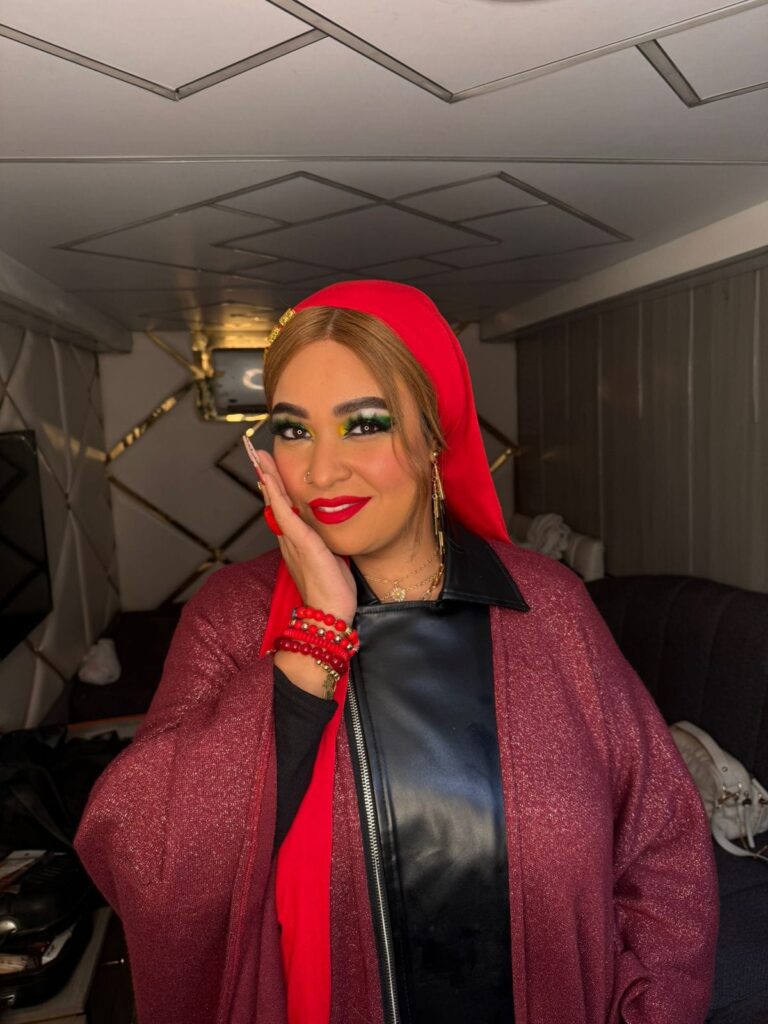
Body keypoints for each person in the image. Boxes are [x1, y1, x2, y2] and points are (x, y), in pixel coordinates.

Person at [74, 280, 718, 1024]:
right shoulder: (231, 615)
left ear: (434, 433)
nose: (320, 471)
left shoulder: (548, 607)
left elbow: (663, 849)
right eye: (293, 430)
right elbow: (143, 856)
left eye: (364, 424)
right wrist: (315, 634)